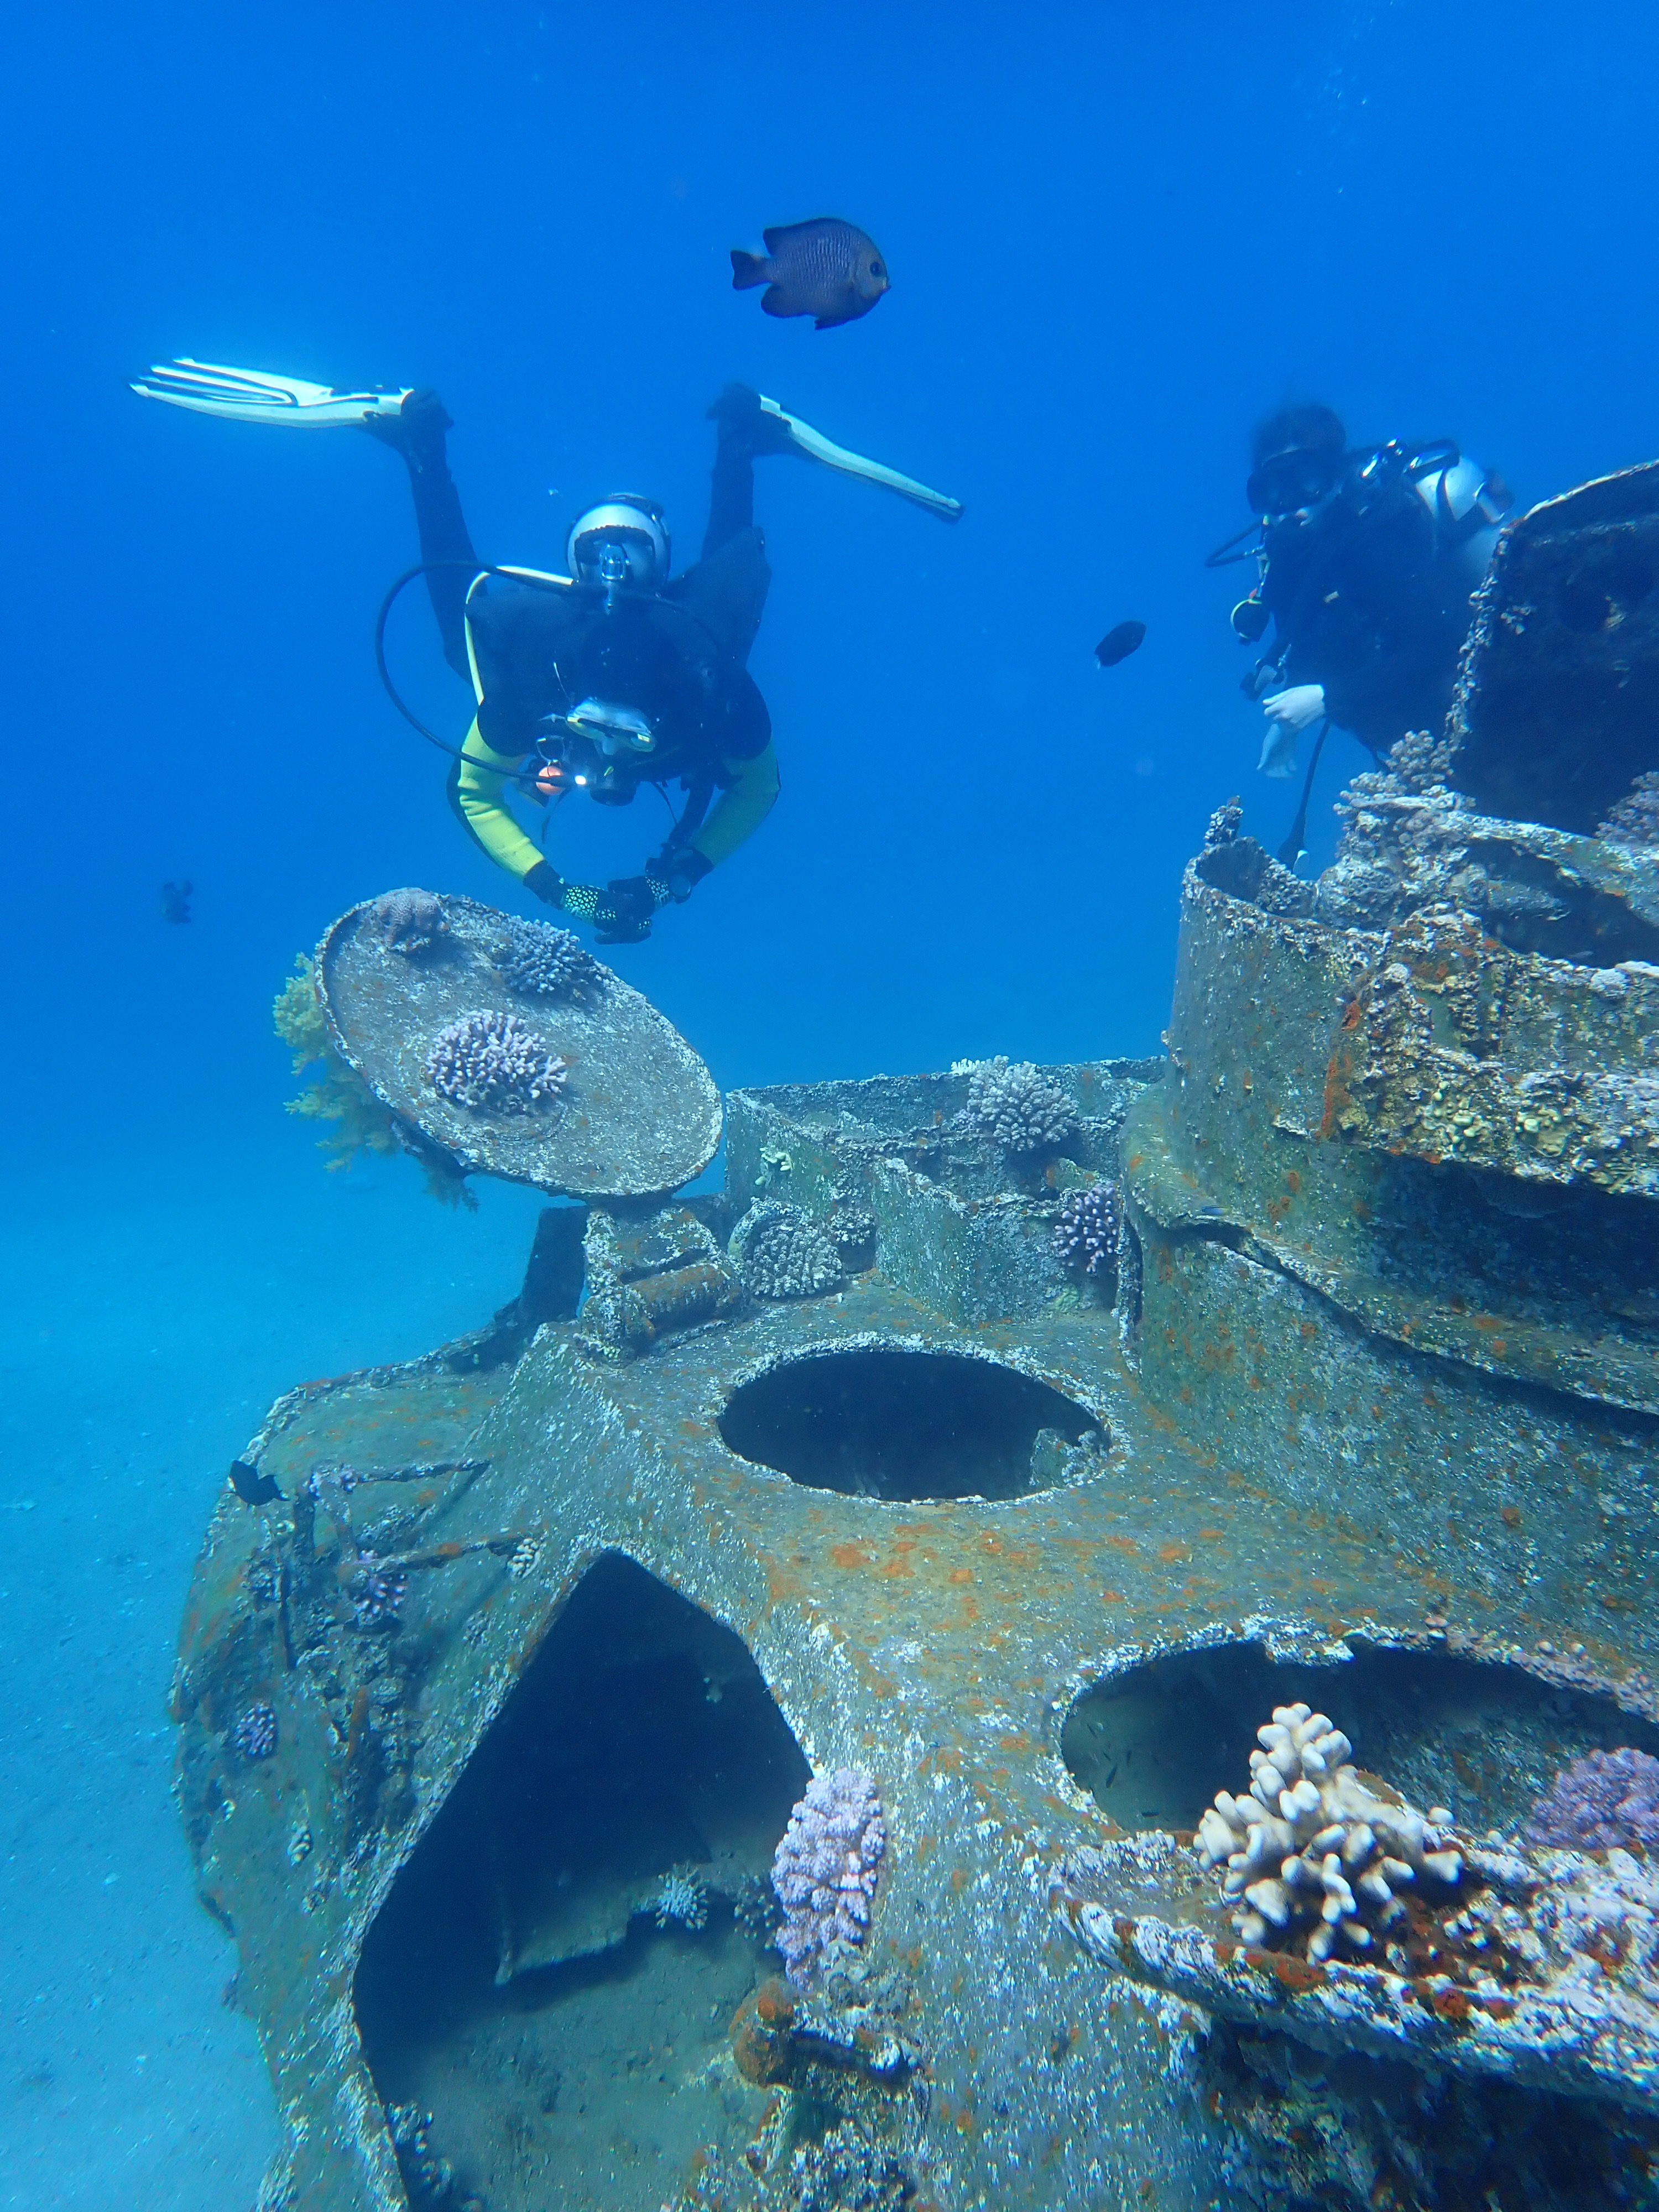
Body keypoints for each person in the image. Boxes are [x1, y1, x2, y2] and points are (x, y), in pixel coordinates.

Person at [129, 361, 961, 941]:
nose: (604, 765)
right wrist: (662, 877)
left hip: (652, 635)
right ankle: (726, 440)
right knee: (684, 604)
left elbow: (475, 794)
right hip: (635, 634)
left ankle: (431, 444)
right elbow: (758, 788)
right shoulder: (673, 694)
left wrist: (579, 886)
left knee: (698, 605)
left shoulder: (689, 681)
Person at [1212, 403, 1510, 837]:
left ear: (1334, 476)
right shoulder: (1290, 558)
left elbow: (1441, 642)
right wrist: (1290, 718)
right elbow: (1305, 644)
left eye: (1307, 480)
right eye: (1274, 490)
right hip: (1404, 748)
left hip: (1481, 719)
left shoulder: (1380, 539)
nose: (1289, 503)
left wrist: (1329, 698)